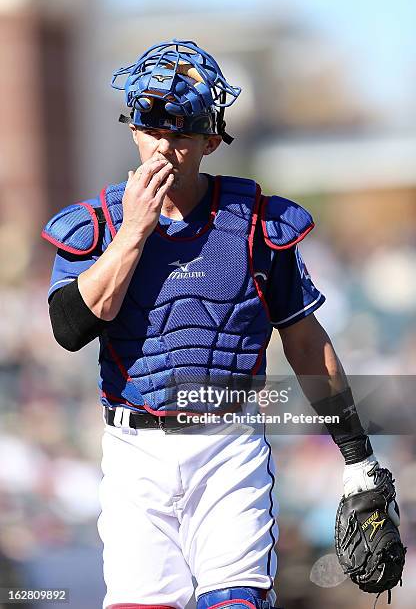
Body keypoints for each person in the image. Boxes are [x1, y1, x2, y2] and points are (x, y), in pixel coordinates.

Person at [42, 40, 404, 609]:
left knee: (235, 603)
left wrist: (357, 455)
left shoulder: (259, 224)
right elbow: (71, 328)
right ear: (132, 128)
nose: (163, 144)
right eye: (150, 124)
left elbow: (306, 341)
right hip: (134, 450)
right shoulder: (99, 223)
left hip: (227, 446)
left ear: (211, 139)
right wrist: (135, 231)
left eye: (181, 130)